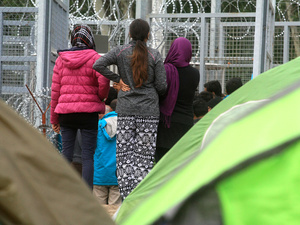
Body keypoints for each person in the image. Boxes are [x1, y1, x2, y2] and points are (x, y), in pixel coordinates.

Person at [93, 19, 167, 199]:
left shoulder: (120, 51)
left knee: (125, 155)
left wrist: (118, 80)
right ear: (148, 35)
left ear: (129, 34)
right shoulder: (155, 55)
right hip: (149, 112)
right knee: (145, 156)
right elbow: (162, 86)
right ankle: (141, 198)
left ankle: (127, 198)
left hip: (125, 110)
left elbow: (98, 64)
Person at [50, 24, 110, 189]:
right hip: (88, 113)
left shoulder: (61, 59)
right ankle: (87, 198)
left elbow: (55, 91)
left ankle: (63, 194)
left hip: (66, 113)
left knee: (66, 154)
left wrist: (54, 118)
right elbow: (104, 81)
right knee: (87, 157)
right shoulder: (95, 58)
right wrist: (100, 97)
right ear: (89, 39)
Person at [155, 37, 200, 162]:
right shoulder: (194, 74)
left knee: (162, 164)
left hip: (164, 123)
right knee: (179, 164)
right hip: (185, 122)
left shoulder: (164, 70)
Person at [93, 100, 122, 206]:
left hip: (99, 174)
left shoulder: (98, 126)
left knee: (98, 211)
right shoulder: (125, 127)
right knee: (114, 210)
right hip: (118, 174)